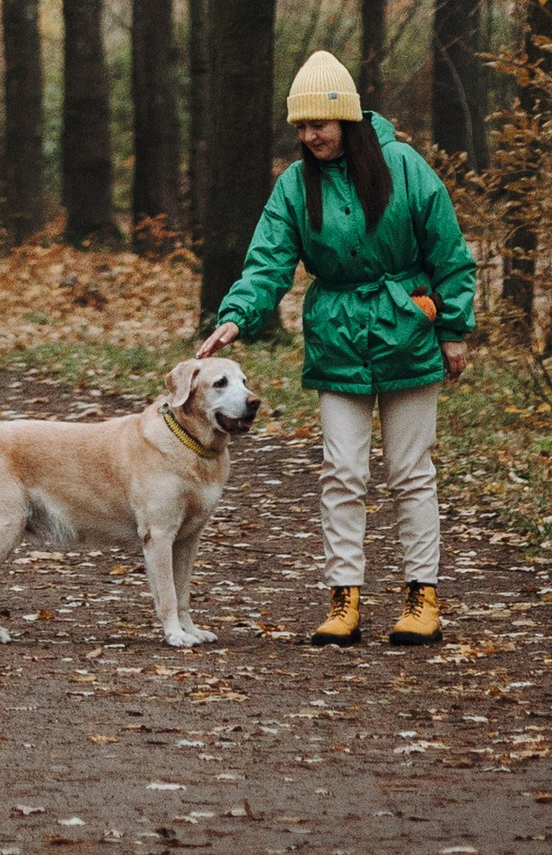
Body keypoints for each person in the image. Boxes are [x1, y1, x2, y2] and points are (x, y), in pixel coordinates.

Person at [196, 51, 476, 647]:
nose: (309, 136)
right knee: (342, 472)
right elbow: (268, 262)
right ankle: (343, 599)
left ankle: (421, 597)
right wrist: (235, 319)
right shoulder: (295, 186)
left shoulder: (405, 168)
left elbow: (450, 253)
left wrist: (455, 329)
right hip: (338, 340)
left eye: (318, 124)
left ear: (345, 118)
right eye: (300, 126)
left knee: (409, 473)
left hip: (408, 331)